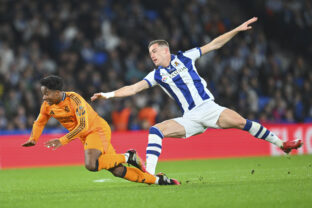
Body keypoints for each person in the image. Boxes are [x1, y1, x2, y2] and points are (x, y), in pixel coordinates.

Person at [91, 17, 303, 175]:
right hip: (190, 117)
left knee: (242, 122)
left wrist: (237, 30)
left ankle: (282, 144)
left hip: (209, 108)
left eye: (154, 51)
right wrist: (107, 95)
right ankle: (151, 175)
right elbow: (133, 88)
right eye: (150, 54)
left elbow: (214, 44)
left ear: (166, 50)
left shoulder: (186, 57)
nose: (152, 56)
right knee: (156, 130)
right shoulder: (156, 75)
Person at [22, 75, 179, 185]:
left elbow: (83, 126)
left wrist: (62, 141)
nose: (44, 97)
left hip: (96, 130)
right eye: (43, 94)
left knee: (91, 164)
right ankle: (159, 180)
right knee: (117, 171)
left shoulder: (75, 100)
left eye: (46, 94)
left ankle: (128, 156)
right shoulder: (47, 106)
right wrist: (33, 138)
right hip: (85, 136)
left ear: (56, 92)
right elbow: (40, 121)